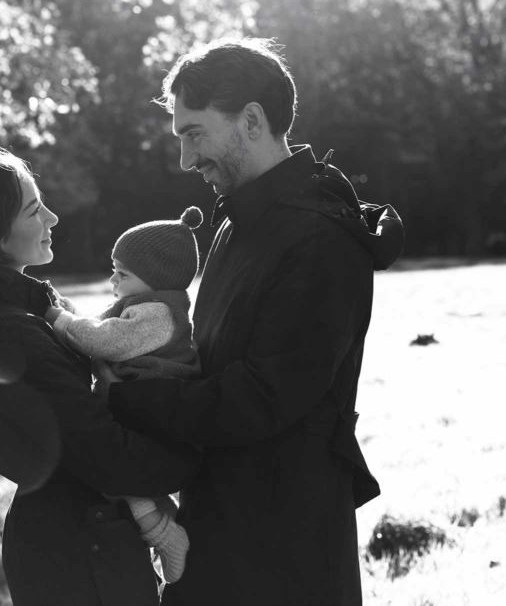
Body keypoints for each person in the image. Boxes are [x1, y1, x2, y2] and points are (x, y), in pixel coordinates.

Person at [102, 38, 405, 605]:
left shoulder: (321, 240)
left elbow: (262, 398)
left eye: (194, 134)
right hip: (221, 521)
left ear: (251, 119)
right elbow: (207, 362)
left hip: (282, 550)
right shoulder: (236, 222)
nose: (187, 160)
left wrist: (128, 399)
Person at [0, 146, 199, 606]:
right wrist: (200, 455)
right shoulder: (9, 333)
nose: (53, 217)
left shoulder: (20, 309)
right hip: (77, 553)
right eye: (33, 209)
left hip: (86, 536)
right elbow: (100, 450)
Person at [43, 206, 203, 584]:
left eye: (123, 273)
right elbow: (103, 326)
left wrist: (55, 318)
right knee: (124, 479)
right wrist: (69, 313)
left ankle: (165, 535)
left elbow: (104, 339)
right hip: (140, 407)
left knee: (119, 477)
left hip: (151, 413)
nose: (113, 279)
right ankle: (166, 523)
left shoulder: (159, 315)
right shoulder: (143, 307)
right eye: (113, 268)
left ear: (155, 278)